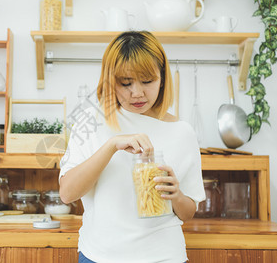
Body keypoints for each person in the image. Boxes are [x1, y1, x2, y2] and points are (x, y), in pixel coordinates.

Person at [59, 31, 205, 263]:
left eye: (147, 81)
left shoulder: (183, 132)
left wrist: (176, 195)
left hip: (165, 257)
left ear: (163, 78)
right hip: (100, 256)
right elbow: (67, 194)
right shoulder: (91, 122)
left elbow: (187, 213)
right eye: (125, 83)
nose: (137, 93)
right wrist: (111, 145)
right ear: (110, 81)